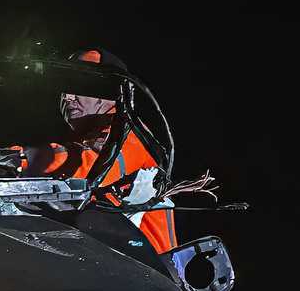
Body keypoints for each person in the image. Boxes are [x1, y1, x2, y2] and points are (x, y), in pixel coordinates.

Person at [17, 48, 179, 254]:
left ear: (108, 91)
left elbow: (83, 167)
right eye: (64, 87)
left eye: (78, 85)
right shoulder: (89, 136)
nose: (67, 96)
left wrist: (11, 158)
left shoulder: (127, 136)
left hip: (143, 275)